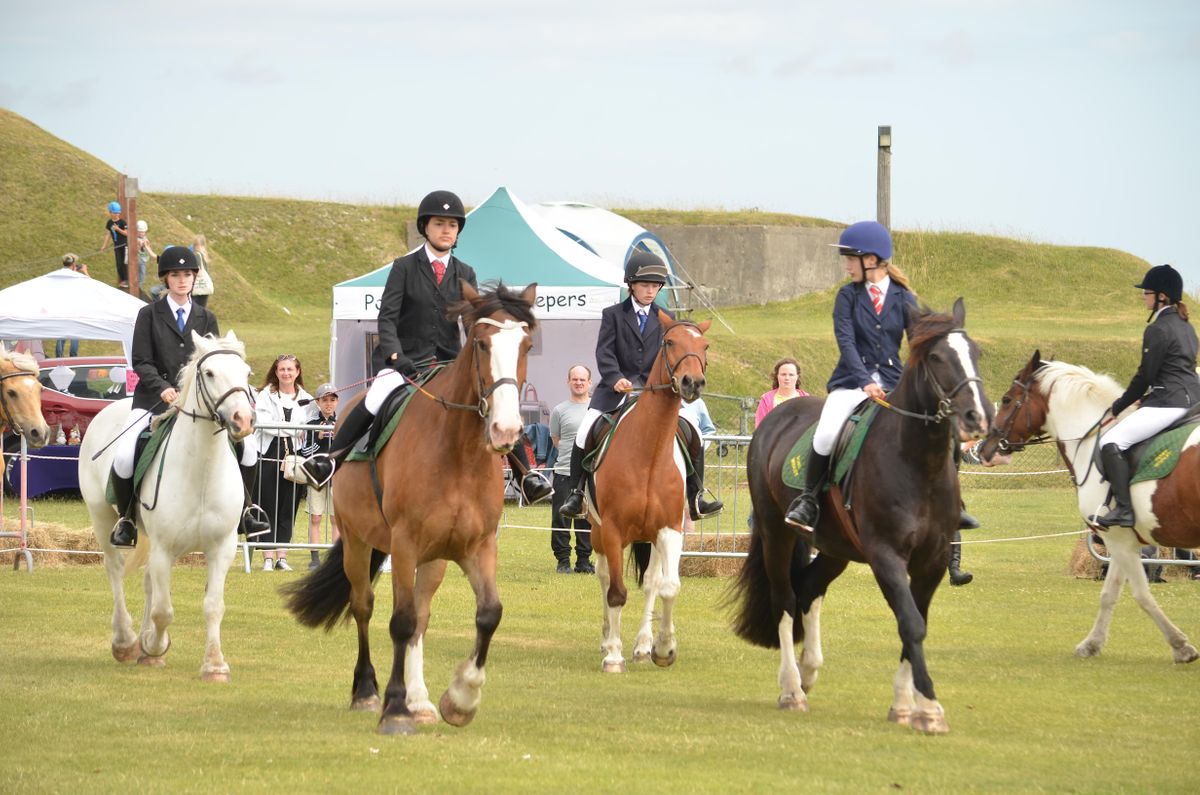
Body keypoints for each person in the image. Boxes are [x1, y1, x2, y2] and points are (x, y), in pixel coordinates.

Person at [297, 190, 552, 505]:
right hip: (404, 363)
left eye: (452, 225)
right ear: (425, 228)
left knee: (494, 397)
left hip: (447, 362)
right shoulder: (404, 267)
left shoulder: (465, 273)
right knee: (377, 396)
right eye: (439, 223)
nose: (446, 230)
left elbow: (473, 328)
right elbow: (386, 320)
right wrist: (396, 357)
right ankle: (331, 459)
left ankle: (527, 475)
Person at [108, 246, 270, 548]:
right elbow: (141, 360)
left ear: (195, 278)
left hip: (200, 404)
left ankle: (248, 511)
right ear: (165, 280)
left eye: (188, 274)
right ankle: (127, 518)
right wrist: (162, 387)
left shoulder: (206, 317)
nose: (182, 280)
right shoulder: (148, 314)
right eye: (175, 275)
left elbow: (217, 361)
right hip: (154, 399)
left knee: (248, 448)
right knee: (125, 452)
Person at [559, 251, 724, 521]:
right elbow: (604, 353)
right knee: (583, 430)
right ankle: (576, 495)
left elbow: (672, 356)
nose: (651, 291)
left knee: (694, 430)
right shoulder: (612, 314)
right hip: (616, 392)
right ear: (631, 285)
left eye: (655, 286)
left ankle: (696, 496)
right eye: (646, 285)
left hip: (657, 392)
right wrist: (615, 378)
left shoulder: (666, 316)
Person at [784, 221, 920, 531]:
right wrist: (865, 381)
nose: (846, 266)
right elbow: (846, 343)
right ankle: (808, 501)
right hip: (850, 384)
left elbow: (917, 345)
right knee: (827, 433)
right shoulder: (848, 297)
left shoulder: (904, 298)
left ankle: (951, 506)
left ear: (870, 259)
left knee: (931, 428)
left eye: (850, 258)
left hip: (894, 383)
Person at [1094, 264, 1199, 528]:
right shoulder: (1187, 326)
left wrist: (1119, 405)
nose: (1143, 297)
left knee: (1111, 442)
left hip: (1168, 404)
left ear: (1161, 296)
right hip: (1193, 401)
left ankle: (1125, 511)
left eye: (1146, 293)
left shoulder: (1158, 329)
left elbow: (1146, 376)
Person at [253, 354, 312, 571]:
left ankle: (282, 556)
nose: (286, 373)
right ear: (276, 372)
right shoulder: (265, 395)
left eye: (290, 369)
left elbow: (304, 431)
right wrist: (291, 429)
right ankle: (268, 556)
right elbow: (263, 423)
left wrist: (286, 428)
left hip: (293, 456)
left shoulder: (306, 398)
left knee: (289, 504)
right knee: (267, 503)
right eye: (282, 369)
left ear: (297, 372)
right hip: (269, 453)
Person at [548, 365, 596, 574]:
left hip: (591, 474)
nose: (578, 382)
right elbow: (556, 440)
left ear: (589, 383)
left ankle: (584, 561)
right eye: (574, 379)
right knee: (561, 517)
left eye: (582, 379)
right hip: (564, 472)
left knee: (587, 517)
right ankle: (563, 561)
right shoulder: (559, 410)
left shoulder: (597, 410)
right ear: (568, 382)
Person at [300, 382, 340, 570]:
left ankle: (333, 557)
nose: (329, 404)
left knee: (335, 519)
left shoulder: (341, 422)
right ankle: (315, 557)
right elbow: (306, 451)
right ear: (317, 402)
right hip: (317, 475)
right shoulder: (311, 424)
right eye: (325, 400)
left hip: (336, 475)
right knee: (315, 517)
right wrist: (318, 438)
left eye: (332, 400)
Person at [755, 357, 809, 428]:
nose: (787, 378)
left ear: (797, 376)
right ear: (777, 376)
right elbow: (760, 428)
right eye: (783, 374)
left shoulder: (806, 399)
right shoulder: (766, 400)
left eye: (791, 375)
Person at [55, 254, 83, 358]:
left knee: (61, 337)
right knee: (74, 336)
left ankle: (59, 358)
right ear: (73, 264)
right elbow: (90, 284)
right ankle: (73, 358)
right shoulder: (78, 277)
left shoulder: (58, 274)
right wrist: (84, 272)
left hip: (61, 309)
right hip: (75, 311)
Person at [99, 200, 129, 288]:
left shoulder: (123, 222)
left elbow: (127, 233)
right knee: (119, 264)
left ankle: (126, 280)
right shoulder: (109, 223)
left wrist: (118, 229)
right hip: (116, 246)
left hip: (124, 246)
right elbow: (108, 235)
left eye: (118, 213)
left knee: (125, 263)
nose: (116, 215)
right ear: (110, 212)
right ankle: (123, 280)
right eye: (114, 213)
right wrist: (104, 246)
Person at [191, 234, 215, 308]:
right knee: (202, 309)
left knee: (194, 309)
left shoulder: (197, 255)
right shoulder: (204, 255)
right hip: (204, 286)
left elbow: (197, 271)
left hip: (197, 286)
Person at [134, 220, 156, 295]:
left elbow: (149, 249)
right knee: (139, 275)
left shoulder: (145, 238)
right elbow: (135, 250)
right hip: (138, 260)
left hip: (143, 260)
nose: (142, 233)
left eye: (143, 232)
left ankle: (140, 288)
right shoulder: (135, 239)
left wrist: (147, 245)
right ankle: (137, 289)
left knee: (142, 275)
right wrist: (139, 245)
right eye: (140, 232)